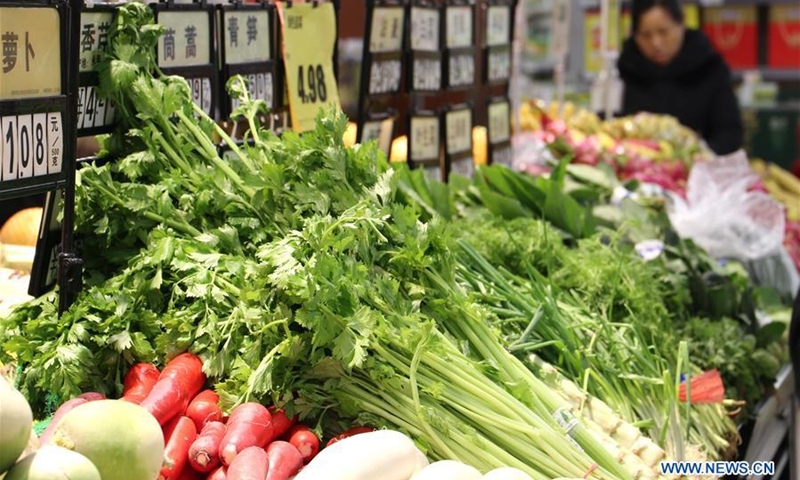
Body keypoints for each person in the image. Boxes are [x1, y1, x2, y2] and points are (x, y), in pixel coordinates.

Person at [617, 0, 744, 156]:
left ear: (681, 24)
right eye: (646, 35)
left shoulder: (710, 67)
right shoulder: (621, 72)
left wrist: (702, 155)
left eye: (663, 32)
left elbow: (730, 132)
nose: (656, 43)